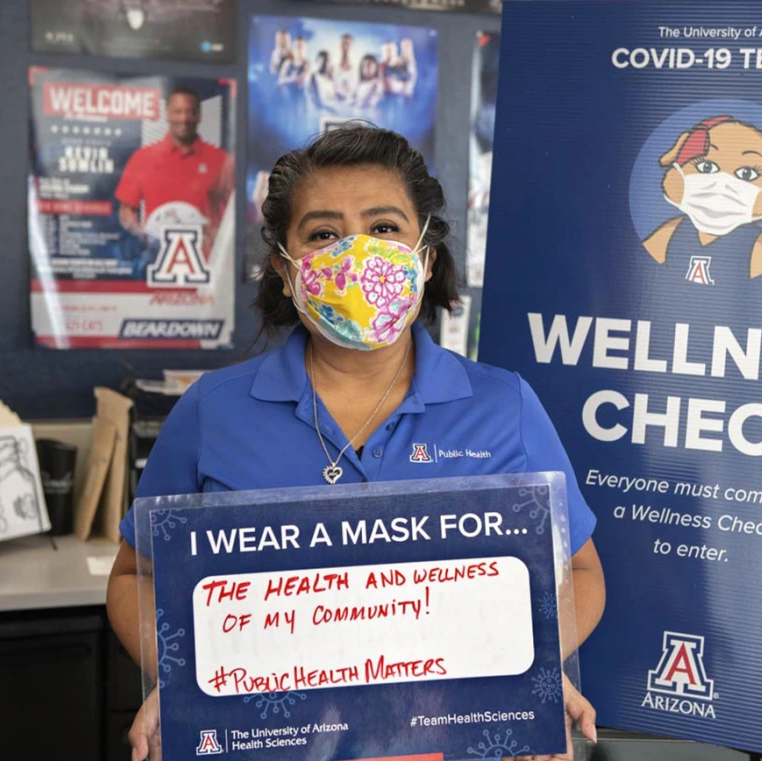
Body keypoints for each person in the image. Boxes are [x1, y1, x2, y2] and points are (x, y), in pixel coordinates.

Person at [108, 127, 605, 761]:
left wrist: (525, 663)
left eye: (385, 228)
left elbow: (582, 572)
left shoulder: (503, 405)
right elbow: (134, 576)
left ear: (424, 258)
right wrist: (187, 677)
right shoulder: (213, 412)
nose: (357, 253)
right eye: (323, 234)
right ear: (287, 272)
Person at [114, 85, 234, 272]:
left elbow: (232, 213)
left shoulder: (221, 160)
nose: (184, 119)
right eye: (178, 111)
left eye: (190, 112)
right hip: (156, 267)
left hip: (206, 271)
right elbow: (126, 211)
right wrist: (142, 233)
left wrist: (218, 233)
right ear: (167, 114)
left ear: (199, 116)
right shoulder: (143, 158)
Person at [334, 33, 358, 103]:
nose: (345, 47)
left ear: (353, 47)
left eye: (348, 44)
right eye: (343, 44)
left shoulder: (359, 69)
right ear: (339, 46)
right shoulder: (331, 67)